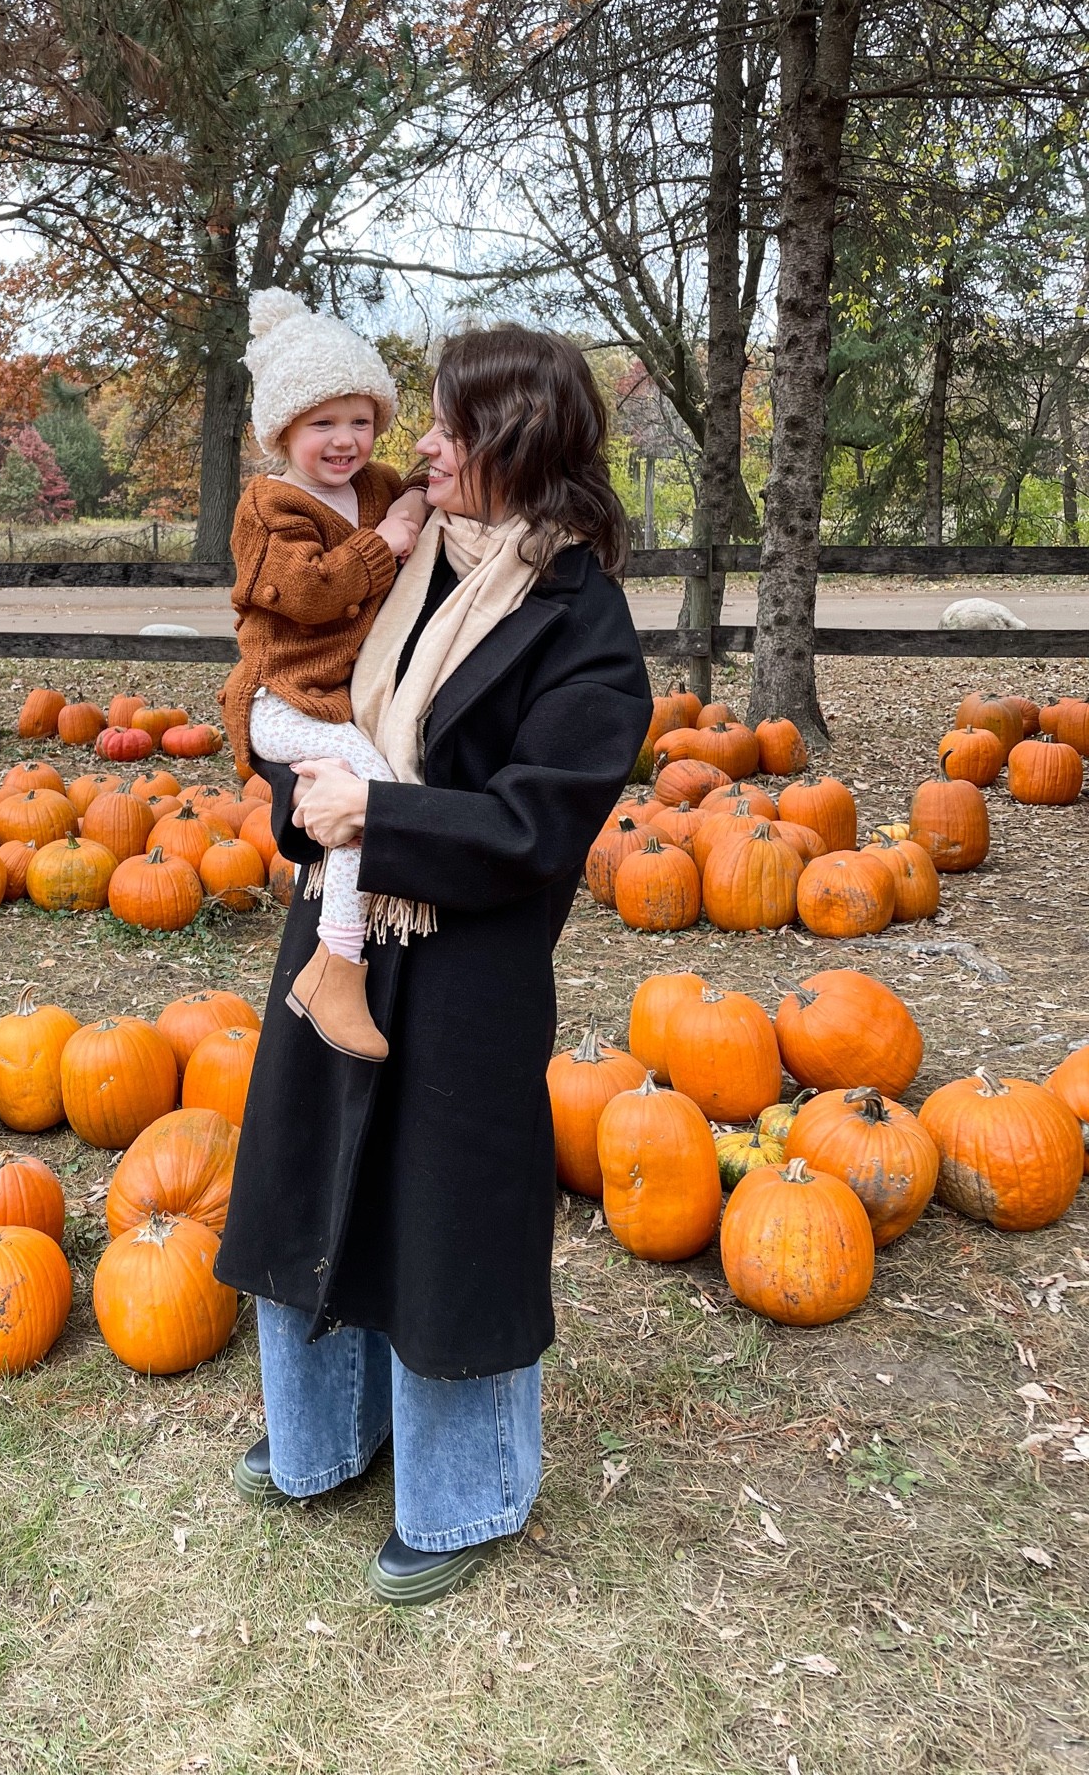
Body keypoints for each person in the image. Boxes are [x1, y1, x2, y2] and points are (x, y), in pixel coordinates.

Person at [216, 323, 652, 1606]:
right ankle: (326, 1437)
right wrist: (297, 781)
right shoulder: (396, 575)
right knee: (308, 1169)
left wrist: (383, 820)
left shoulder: (580, 617)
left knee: (446, 1215)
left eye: (450, 428)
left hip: (467, 959)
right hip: (340, 931)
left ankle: (466, 1497)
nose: (422, 446)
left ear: (515, 444)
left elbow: (540, 818)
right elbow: (305, 714)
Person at [218, 288, 431, 1063]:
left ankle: (338, 956)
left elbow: (414, 491)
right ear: (283, 430)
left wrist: (408, 503)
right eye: (323, 424)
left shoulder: (372, 485)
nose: (345, 441)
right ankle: (338, 964)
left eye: (361, 420)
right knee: (367, 790)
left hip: (336, 698)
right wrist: (389, 543)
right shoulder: (272, 503)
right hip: (280, 696)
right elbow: (307, 593)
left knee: (365, 794)